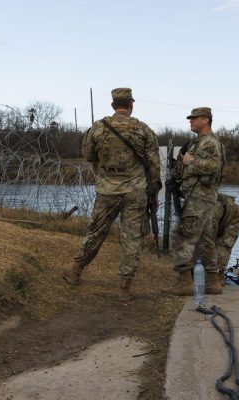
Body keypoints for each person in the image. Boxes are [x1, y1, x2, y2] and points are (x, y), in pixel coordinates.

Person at [63, 88, 161, 302]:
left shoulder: (98, 128)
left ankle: (75, 272)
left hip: (107, 189)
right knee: (132, 237)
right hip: (136, 191)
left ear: (113, 105)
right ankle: (125, 287)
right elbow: (154, 165)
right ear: (131, 104)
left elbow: (88, 155)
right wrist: (154, 194)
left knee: (96, 231)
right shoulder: (143, 130)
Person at [165, 107, 225, 296]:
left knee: (182, 236)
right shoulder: (197, 143)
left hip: (199, 198)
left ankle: (184, 283)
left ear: (205, 120)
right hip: (200, 197)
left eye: (194, 118)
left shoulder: (209, 142)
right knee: (206, 241)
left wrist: (189, 161)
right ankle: (213, 282)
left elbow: (213, 167)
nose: (190, 121)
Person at [209, 193, 239, 285]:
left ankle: (219, 276)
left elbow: (211, 231)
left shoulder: (214, 207)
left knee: (223, 246)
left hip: (235, 219)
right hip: (222, 219)